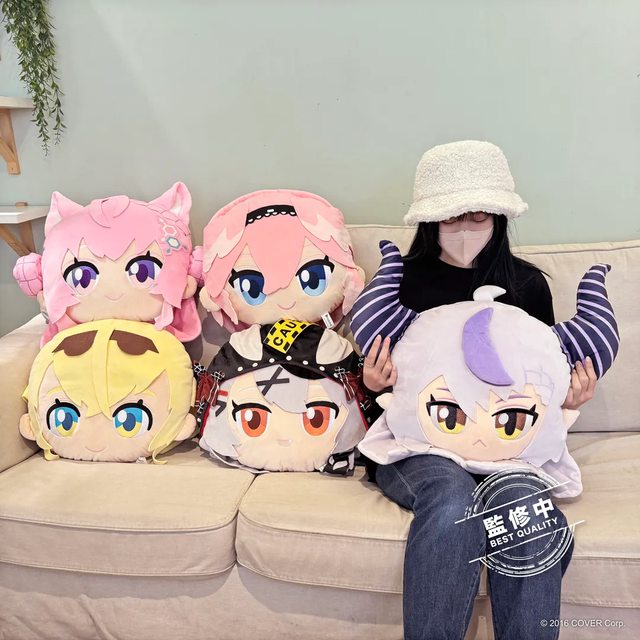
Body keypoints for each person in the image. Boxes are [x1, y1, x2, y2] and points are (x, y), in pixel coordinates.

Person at [359, 141, 597, 640]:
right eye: (452, 217)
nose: (465, 228)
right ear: (430, 220)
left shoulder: (528, 286)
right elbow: (383, 390)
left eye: (478, 217)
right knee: (453, 500)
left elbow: (542, 382)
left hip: (508, 450)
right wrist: (373, 382)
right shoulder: (400, 284)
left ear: (499, 218)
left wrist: (569, 397)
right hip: (418, 447)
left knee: (528, 511)